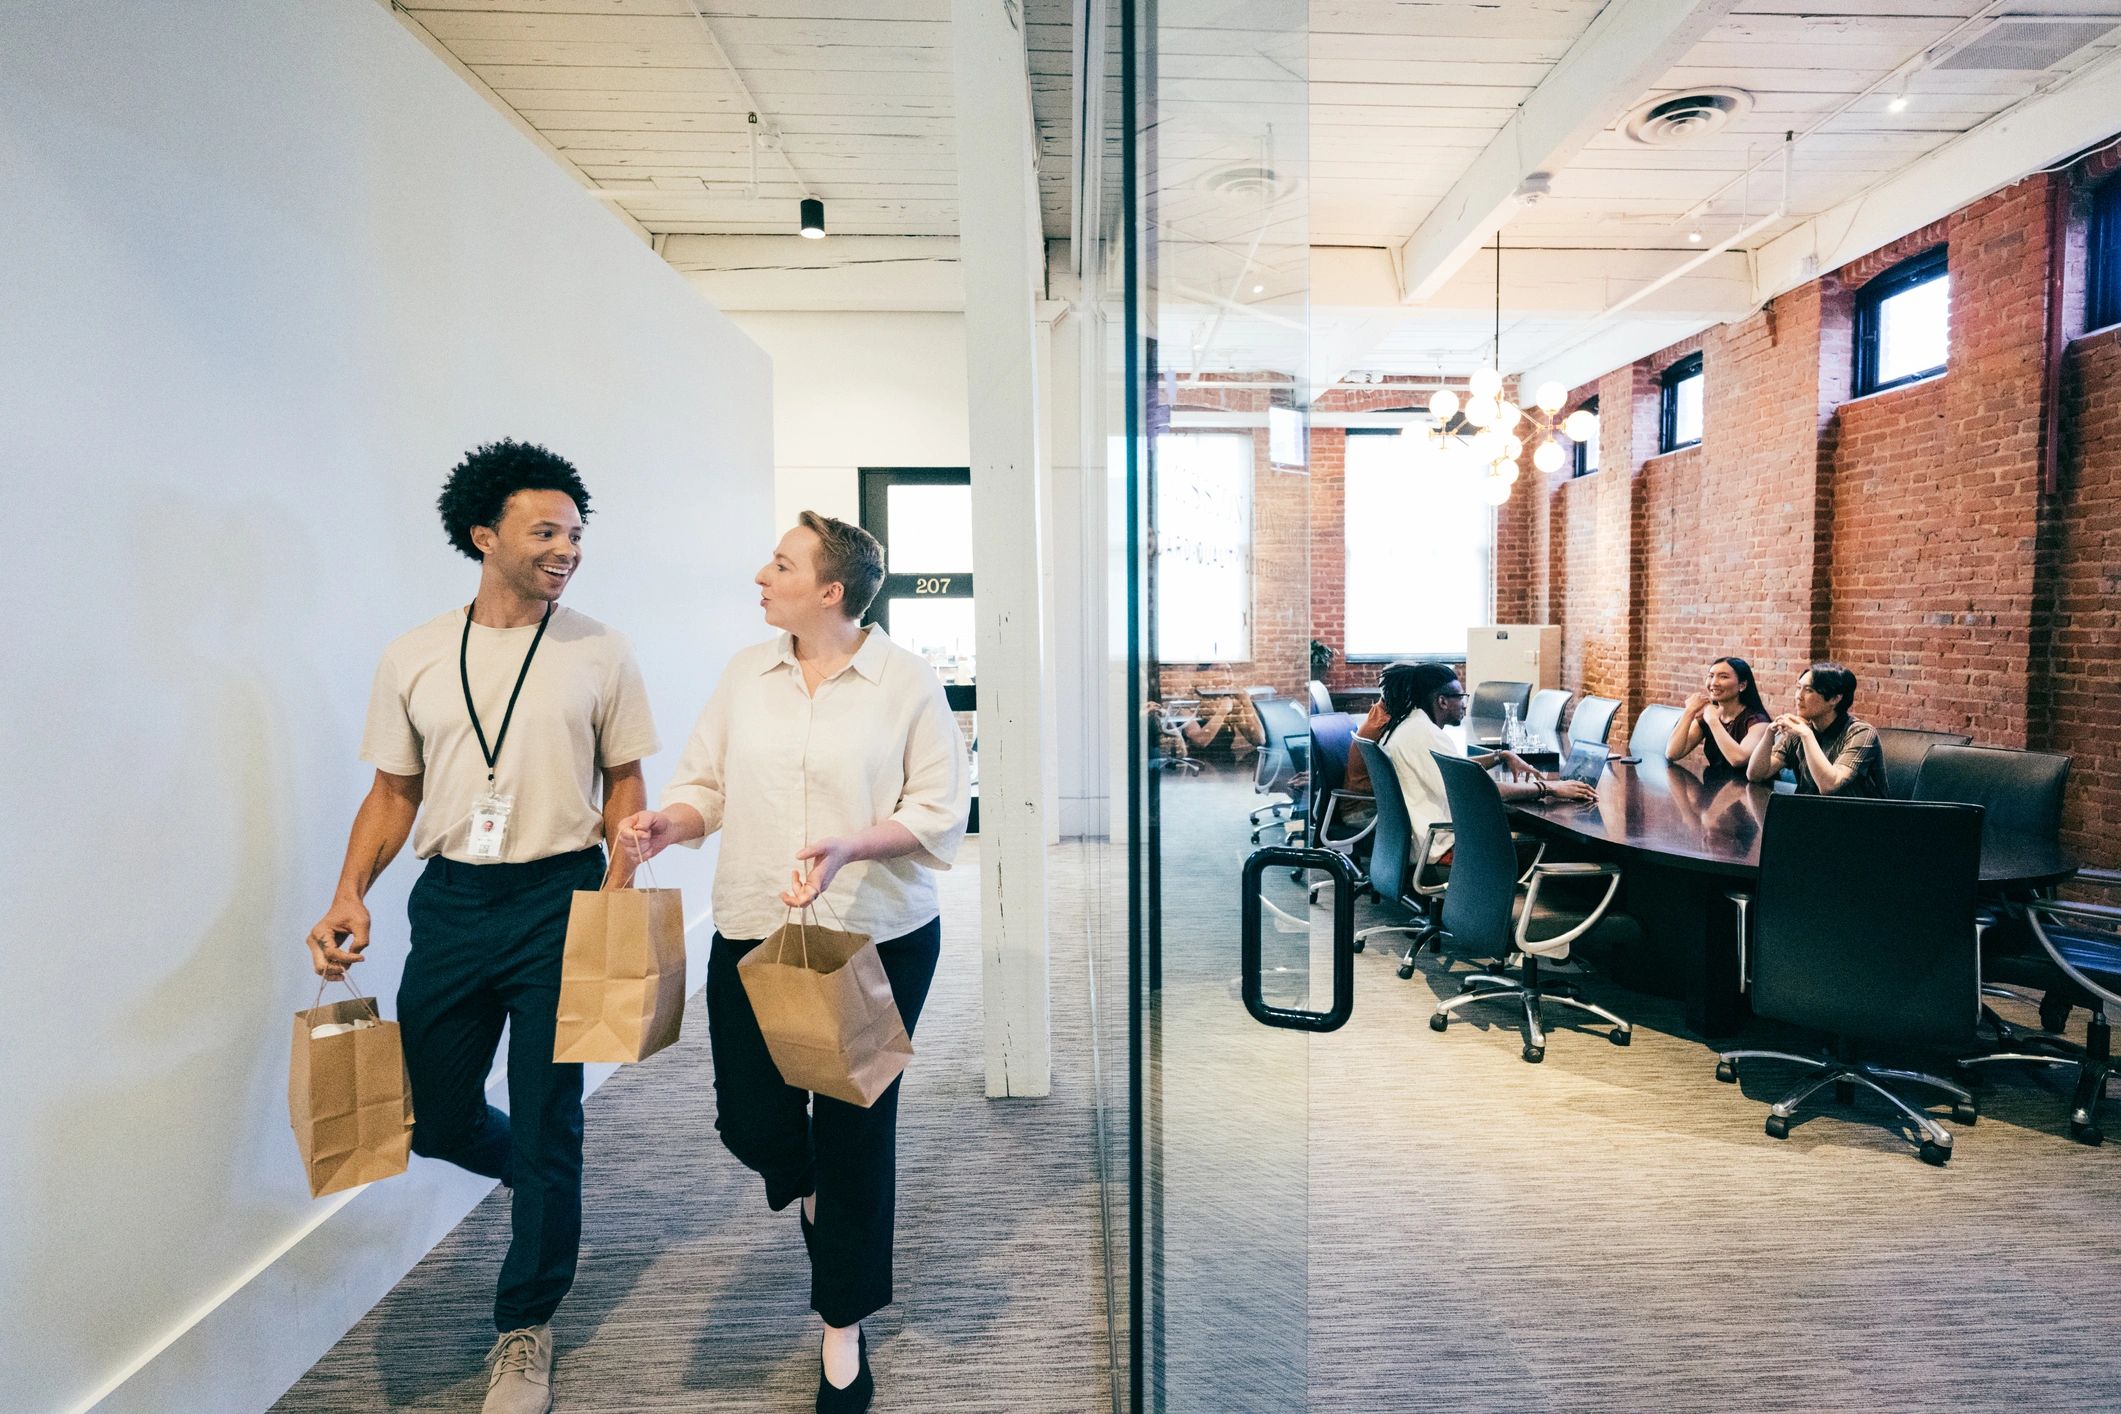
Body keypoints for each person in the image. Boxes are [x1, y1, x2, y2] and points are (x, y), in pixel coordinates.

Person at [304, 441, 660, 1414]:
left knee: (552, 1115)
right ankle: (551, 1186)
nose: (567, 549)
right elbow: (392, 792)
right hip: (453, 901)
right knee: (436, 1112)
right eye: (546, 531)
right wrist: (349, 893)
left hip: (559, 897)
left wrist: (619, 885)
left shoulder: (600, 649)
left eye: (576, 533)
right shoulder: (414, 654)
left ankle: (524, 1325)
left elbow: (626, 780)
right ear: (483, 535)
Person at [619, 512, 968, 1414]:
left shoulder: (906, 682)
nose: (760, 576)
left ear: (831, 592)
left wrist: (854, 844)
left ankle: (842, 1328)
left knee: (857, 1130)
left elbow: (938, 809)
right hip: (752, 925)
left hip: (873, 936)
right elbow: (707, 784)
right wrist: (672, 822)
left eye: (780, 564)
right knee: (751, 1121)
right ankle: (811, 1187)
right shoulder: (748, 673)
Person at [1378, 663, 1595, 862]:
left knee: (1521, 827)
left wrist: (1500, 756)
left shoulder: (1412, 726)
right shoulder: (1425, 734)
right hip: (1445, 849)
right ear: (1442, 701)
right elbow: (1480, 789)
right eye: (1461, 696)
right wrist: (1548, 788)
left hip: (1424, 841)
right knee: (1564, 847)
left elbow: (1457, 768)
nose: (1465, 704)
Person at [1745, 661, 1886, 797]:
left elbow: (1829, 786)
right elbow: (1756, 775)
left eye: (1809, 690)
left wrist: (1807, 735)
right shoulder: (1800, 731)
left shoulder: (1861, 733)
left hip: (1857, 817)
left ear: (1834, 699)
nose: (1798, 696)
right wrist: (1769, 733)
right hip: (1811, 814)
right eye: (1798, 688)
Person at [1666, 655, 1772, 769]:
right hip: (1714, 784)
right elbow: (1672, 753)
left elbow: (1738, 759)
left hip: (1751, 787)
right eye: (1711, 676)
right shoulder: (1707, 717)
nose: (1714, 683)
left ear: (1742, 685)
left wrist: (1713, 721)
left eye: (1723, 677)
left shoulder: (1758, 721)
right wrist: (1689, 712)